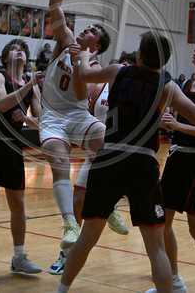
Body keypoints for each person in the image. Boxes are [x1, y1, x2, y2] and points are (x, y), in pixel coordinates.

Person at [56, 31, 195, 293]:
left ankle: (61, 290)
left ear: (140, 54)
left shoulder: (117, 71)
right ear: (163, 62)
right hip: (142, 162)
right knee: (155, 247)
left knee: (87, 237)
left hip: (109, 157)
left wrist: (83, 58)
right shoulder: (167, 86)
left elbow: (85, 76)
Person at [38, 0, 111, 252]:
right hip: (52, 115)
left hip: (78, 115)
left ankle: (112, 200)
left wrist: (80, 63)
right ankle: (69, 221)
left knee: (108, 138)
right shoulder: (66, 38)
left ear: (98, 44)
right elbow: (55, 7)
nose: (86, 28)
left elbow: (83, 94)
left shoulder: (96, 68)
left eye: (93, 29)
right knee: (58, 160)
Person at [146, 39, 195, 293]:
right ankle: (175, 282)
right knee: (163, 223)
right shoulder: (187, 84)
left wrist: (178, 126)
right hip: (176, 159)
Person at [0, 38, 44, 276]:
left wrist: (26, 119)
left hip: (13, 147)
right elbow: (2, 104)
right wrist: (30, 85)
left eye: (22, 49)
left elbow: (40, 121)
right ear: (5, 58)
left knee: (19, 205)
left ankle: (19, 257)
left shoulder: (30, 84)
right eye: (14, 48)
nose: (20, 51)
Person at [50, 80, 129, 275]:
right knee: (77, 200)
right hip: (98, 147)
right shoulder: (100, 87)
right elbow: (85, 117)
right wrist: (89, 147)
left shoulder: (135, 91)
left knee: (151, 209)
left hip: (125, 151)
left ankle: (167, 267)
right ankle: (67, 253)